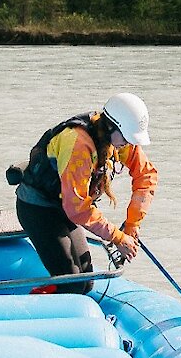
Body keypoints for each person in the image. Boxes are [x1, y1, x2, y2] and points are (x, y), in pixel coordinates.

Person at [11, 93, 157, 289]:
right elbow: (77, 208)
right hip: (40, 209)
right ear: (111, 125)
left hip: (66, 209)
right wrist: (117, 237)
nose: (129, 145)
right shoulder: (79, 145)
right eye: (127, 138)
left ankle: (49, 294)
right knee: (72, 284)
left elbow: (146, 176)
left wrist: (132, 225)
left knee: (85, 284)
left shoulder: (120, 141)